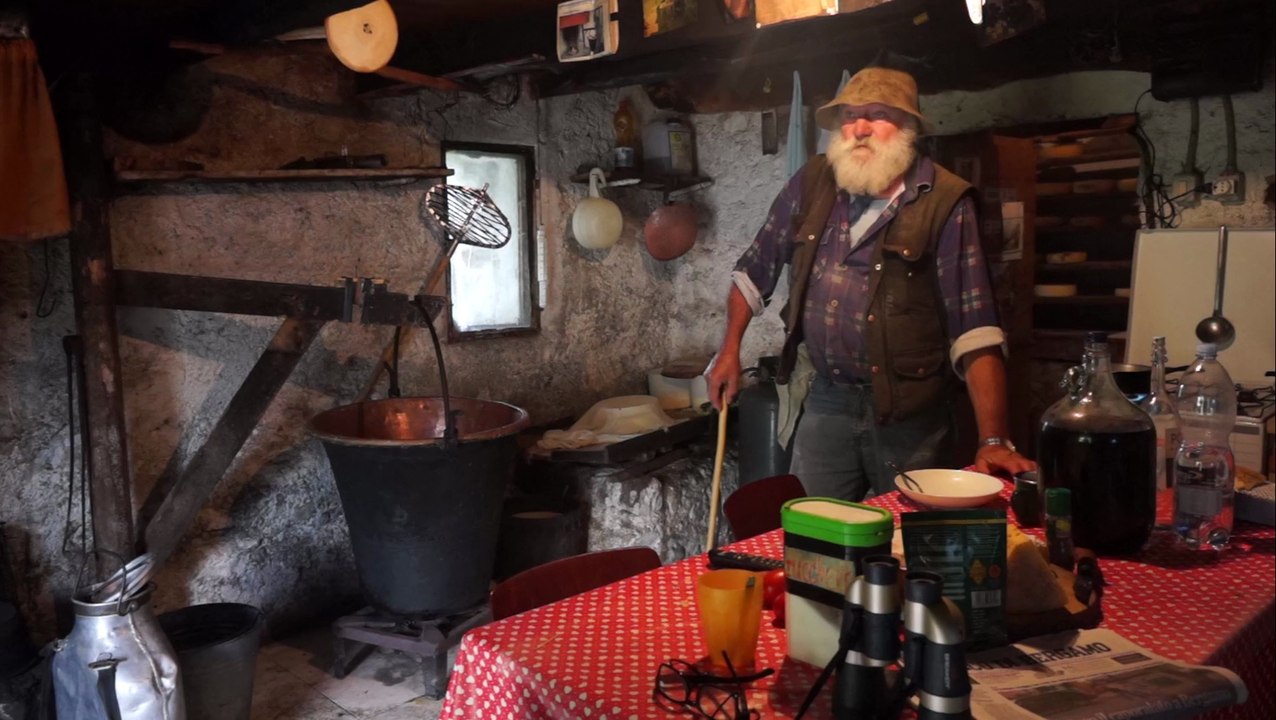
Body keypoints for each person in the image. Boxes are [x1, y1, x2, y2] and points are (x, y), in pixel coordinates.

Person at [706, 66, 1036, 501]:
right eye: (849, 115)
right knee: (813, 539)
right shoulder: (812, 183)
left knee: (914, 544)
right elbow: (753, 270)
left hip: (909, 412)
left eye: (877, 114)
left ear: (908, 128)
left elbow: (976, 329)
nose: (859, 127)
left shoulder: (944, 201)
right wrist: (729, 350)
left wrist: (993, 439)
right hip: (827, 399)